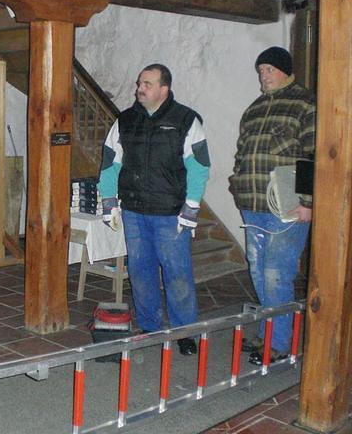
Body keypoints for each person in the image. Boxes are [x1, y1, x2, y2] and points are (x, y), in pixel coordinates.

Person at [98, 64, 211, 356]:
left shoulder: (186, 120)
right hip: (134, 212)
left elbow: (199, 168)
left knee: (178, 274)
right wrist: (109, 202)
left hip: (171, 214)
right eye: (139, 83)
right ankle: (150, 328)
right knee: (141, 272)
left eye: (147, 84)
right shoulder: (125, 120)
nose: (140, 88)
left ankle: (185, 332)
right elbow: (110, 162)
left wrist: (192, 206)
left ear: (164, 89)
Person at [230, 46, 315, 365]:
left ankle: (280, 345)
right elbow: (242, 152)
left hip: (288, 206)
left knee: (276, 274)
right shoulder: (254, 109)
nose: (263, 75)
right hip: (252, 204)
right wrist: (237, 181)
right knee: (258, 271)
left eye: (268, 69)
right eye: (260, 70)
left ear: (285, 70)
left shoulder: (304, 102)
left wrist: (308, 201)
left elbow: (313, 151)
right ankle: (269, 332)